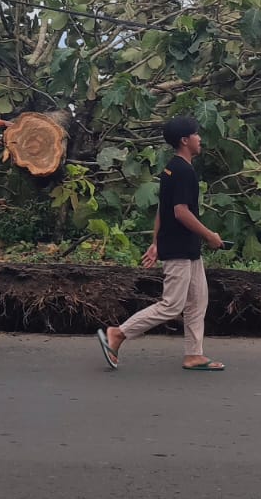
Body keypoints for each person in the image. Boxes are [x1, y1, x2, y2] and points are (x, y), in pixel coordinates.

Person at [96, 116, 226, 372]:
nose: (200, 139)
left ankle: (194, 355)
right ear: (185, 140)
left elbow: (162, 210)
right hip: (180, 247)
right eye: (196, 135)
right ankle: (118, 333)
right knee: (172, 305)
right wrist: (209, 235)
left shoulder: (170, 169)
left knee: (198, 300)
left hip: (185, 247)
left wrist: (156, 242)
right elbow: (179, 212)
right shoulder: (183, 171)